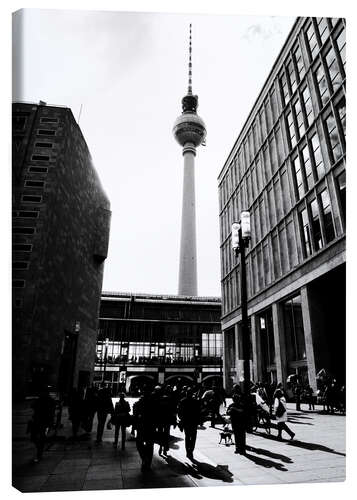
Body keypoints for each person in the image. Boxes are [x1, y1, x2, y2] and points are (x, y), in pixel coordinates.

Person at [133, 386, 157, 472]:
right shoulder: (152, 403)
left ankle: (145, 460)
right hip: (149, 426)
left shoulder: (148, 403)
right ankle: (146, 461)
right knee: (149, 445)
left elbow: (135, 415)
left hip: (144, 426)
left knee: (141, 443)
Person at [29, 387, 56, 462]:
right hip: (39, 421)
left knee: (40, 437)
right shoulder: (41, 400)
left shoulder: (49, 401)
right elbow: (32, 406)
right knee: (35, 437)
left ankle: (39, 453)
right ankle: (39, 451)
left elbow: (33, 406)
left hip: (44, 421)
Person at [177, 387, 201, 460]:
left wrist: (181, 419)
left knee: (187, 437)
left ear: (186, 393)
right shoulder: (196, 401)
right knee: (193, 437)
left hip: (186, 422)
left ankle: (188, 451)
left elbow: (179, 412)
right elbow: (199, 412)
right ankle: (191, 450)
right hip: (193, 422)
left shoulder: (182, 401)